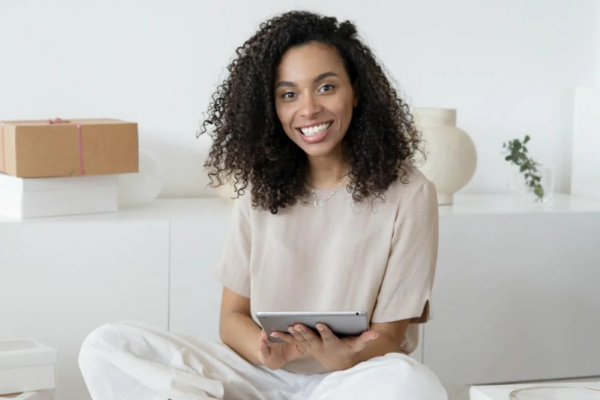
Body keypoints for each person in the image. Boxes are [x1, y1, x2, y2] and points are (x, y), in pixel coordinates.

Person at [78, 10, 447, 400]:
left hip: (352, 378)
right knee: (107, 345)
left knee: (412, 384)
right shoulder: (260, 189)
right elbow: (231, 319)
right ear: (271, 107)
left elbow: (389, 335)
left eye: (325, 87)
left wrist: (341, 357)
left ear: (356, 91)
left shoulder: (409, 193)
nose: (307, 110)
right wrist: (268, 351)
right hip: (261, 376)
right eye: (289, 94)